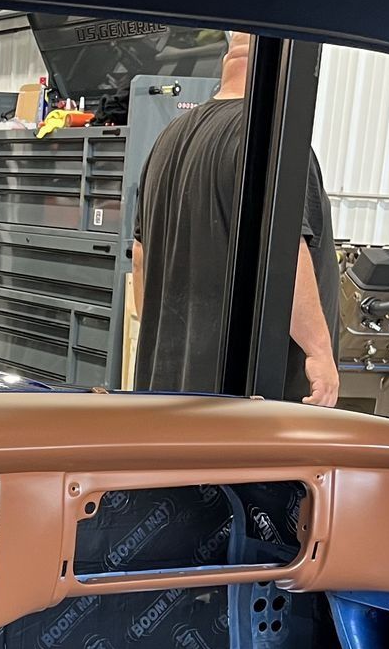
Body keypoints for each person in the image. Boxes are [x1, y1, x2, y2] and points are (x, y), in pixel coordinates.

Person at [131, 31, 340, 406]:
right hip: (246, 405)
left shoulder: (167, 140)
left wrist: (167, 345)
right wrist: (319, 352)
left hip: (168, 393)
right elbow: (286, 256)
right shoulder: (275, 141)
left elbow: (140, 255)